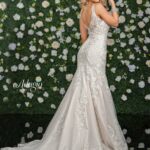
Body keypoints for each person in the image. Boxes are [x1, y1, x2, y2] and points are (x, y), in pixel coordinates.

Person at [1, 0, 129, 149]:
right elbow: (115, 23)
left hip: (85, 51)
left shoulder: (84, 10)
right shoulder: (98, 7)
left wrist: (90, 48)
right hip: (96, 51)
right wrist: (113, 4)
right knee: (95, 87)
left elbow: (83, 38)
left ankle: (86, 128)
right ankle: (95, 131)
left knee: (83, 88)